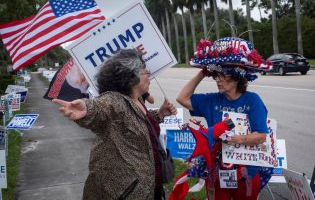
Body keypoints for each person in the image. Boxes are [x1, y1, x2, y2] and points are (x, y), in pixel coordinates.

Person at [53, 49, 177, 200]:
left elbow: (137, 124)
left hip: (150, 187)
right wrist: (87, 109)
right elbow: (101, 108)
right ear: (132, 76)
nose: (149, 76)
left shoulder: (136, 100)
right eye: (146, 72)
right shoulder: (115, 100)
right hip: (127, 192)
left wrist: (160, 114)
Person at [176, 37, 273, 200]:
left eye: (223, 75)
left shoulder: (253, 100)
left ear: (237, 76)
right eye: (216, 75)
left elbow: (261, 136)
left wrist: (236, 139)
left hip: (246, 172)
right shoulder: (212, 100)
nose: (218, 80)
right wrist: (204, 71)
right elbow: (182, 98)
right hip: (216, 171)